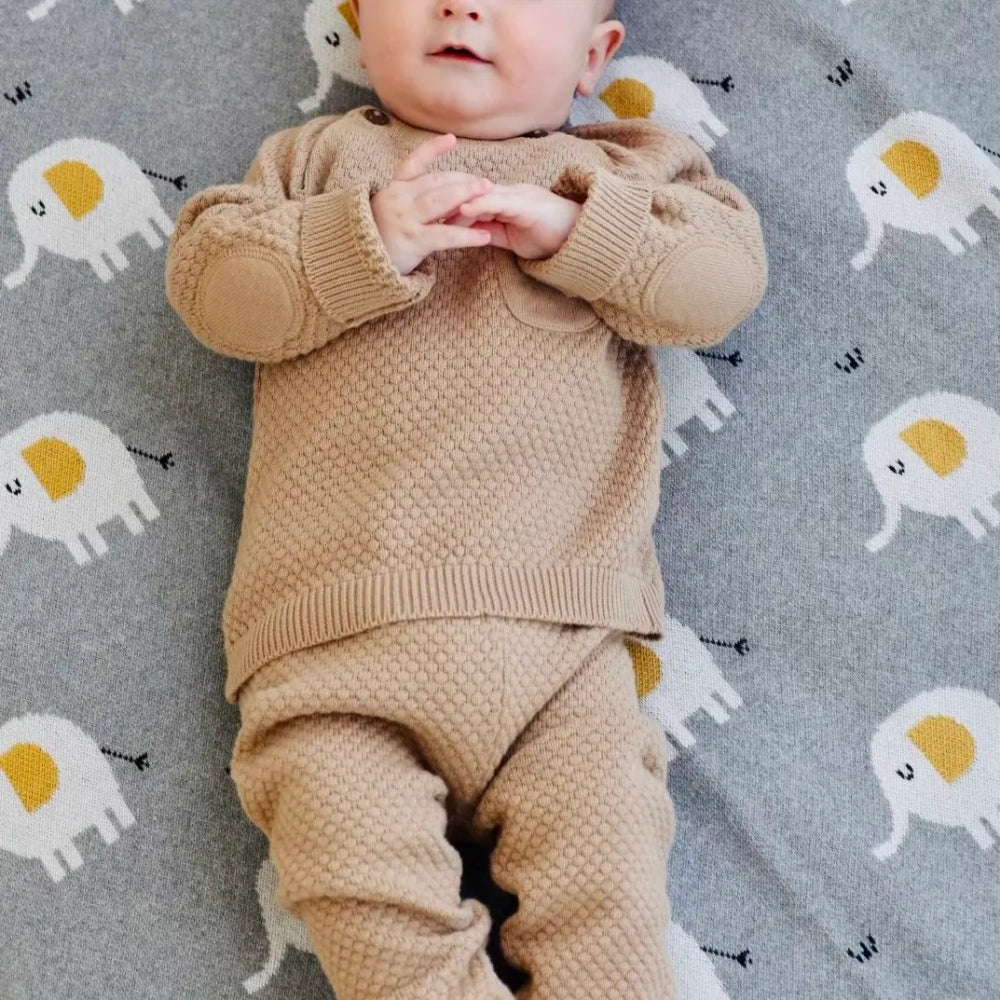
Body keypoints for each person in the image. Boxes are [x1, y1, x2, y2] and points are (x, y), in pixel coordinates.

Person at [164, 1, 768, 997]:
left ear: (592, 57)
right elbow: (217, 291)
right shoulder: (315, 162)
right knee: (369, 905)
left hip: (560, 651)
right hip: (329, 654)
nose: (462, 5)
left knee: (607, 913)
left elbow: (717, 285)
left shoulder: (623, 172)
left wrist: (582, 233)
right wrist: (360, 236)